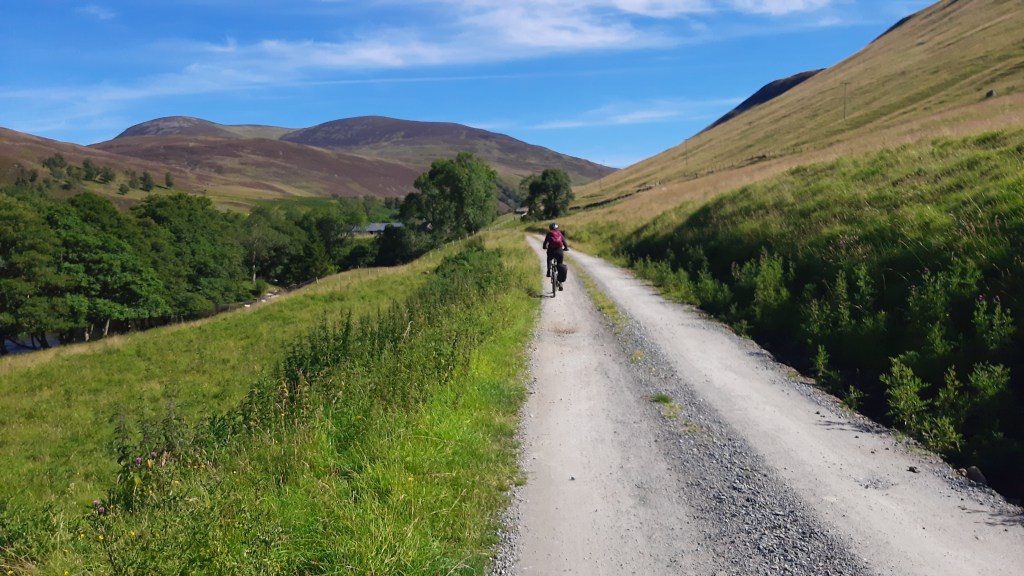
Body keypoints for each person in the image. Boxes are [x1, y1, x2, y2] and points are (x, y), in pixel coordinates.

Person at [542, 222, 569, 290]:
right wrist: (566, 248)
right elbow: (564, 242)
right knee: (560, 265)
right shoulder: (559, 233)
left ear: (550, 228)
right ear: (557, 228)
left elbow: (545, 242)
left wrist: (544, 247)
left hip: (551, 250)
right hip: (559, 251)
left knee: (549, 259)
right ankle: (560, 283)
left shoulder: (549, 233)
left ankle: (549, 271)